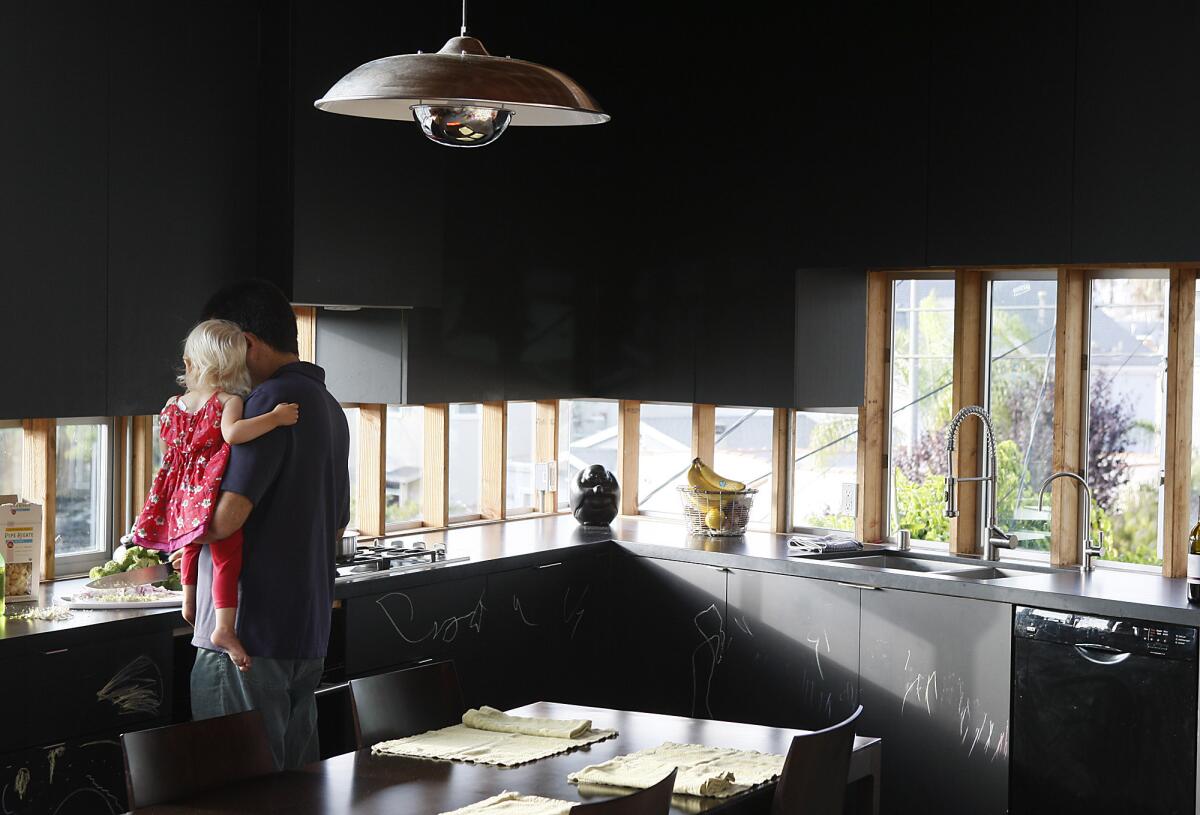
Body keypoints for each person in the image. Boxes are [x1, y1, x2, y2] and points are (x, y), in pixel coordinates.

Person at [179, 279, 350, 770]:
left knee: (236, 791)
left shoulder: (264, 407)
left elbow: (223, 520)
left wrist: (172, 514)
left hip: (244, 638)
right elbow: (336, 526)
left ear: (246, 343)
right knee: (295, 791)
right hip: (307, 631)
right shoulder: (328, 407)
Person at [131, 319, 299, 671]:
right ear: (237, 365)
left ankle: (189, 604)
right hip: (206, 492)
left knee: (190, 547)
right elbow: (234, 434)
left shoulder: (174, 403)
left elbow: (171, 446)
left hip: (178, 494)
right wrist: (276, 418)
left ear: (191, 364)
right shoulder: (228, 401)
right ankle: (224, 627)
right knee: (227, 552)